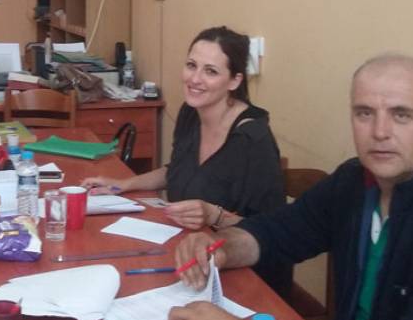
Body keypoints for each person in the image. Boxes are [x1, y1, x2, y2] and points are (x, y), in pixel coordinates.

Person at [170, 54, 413, 320]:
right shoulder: (355, 179)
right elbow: (279, 231)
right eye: (364, 113)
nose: (380, 132)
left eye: (401, 115)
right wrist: (220, 247)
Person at [82, 26, 287, 291]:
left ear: (234, 81)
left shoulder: (253, 139)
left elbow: (272, 231)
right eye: (192, 65)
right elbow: (178, 170)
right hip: (190, 256)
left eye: (210, 71)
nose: (195, 79)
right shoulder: (191, 113)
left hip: (244, 276)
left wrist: (214, 215)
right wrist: (123, 184)